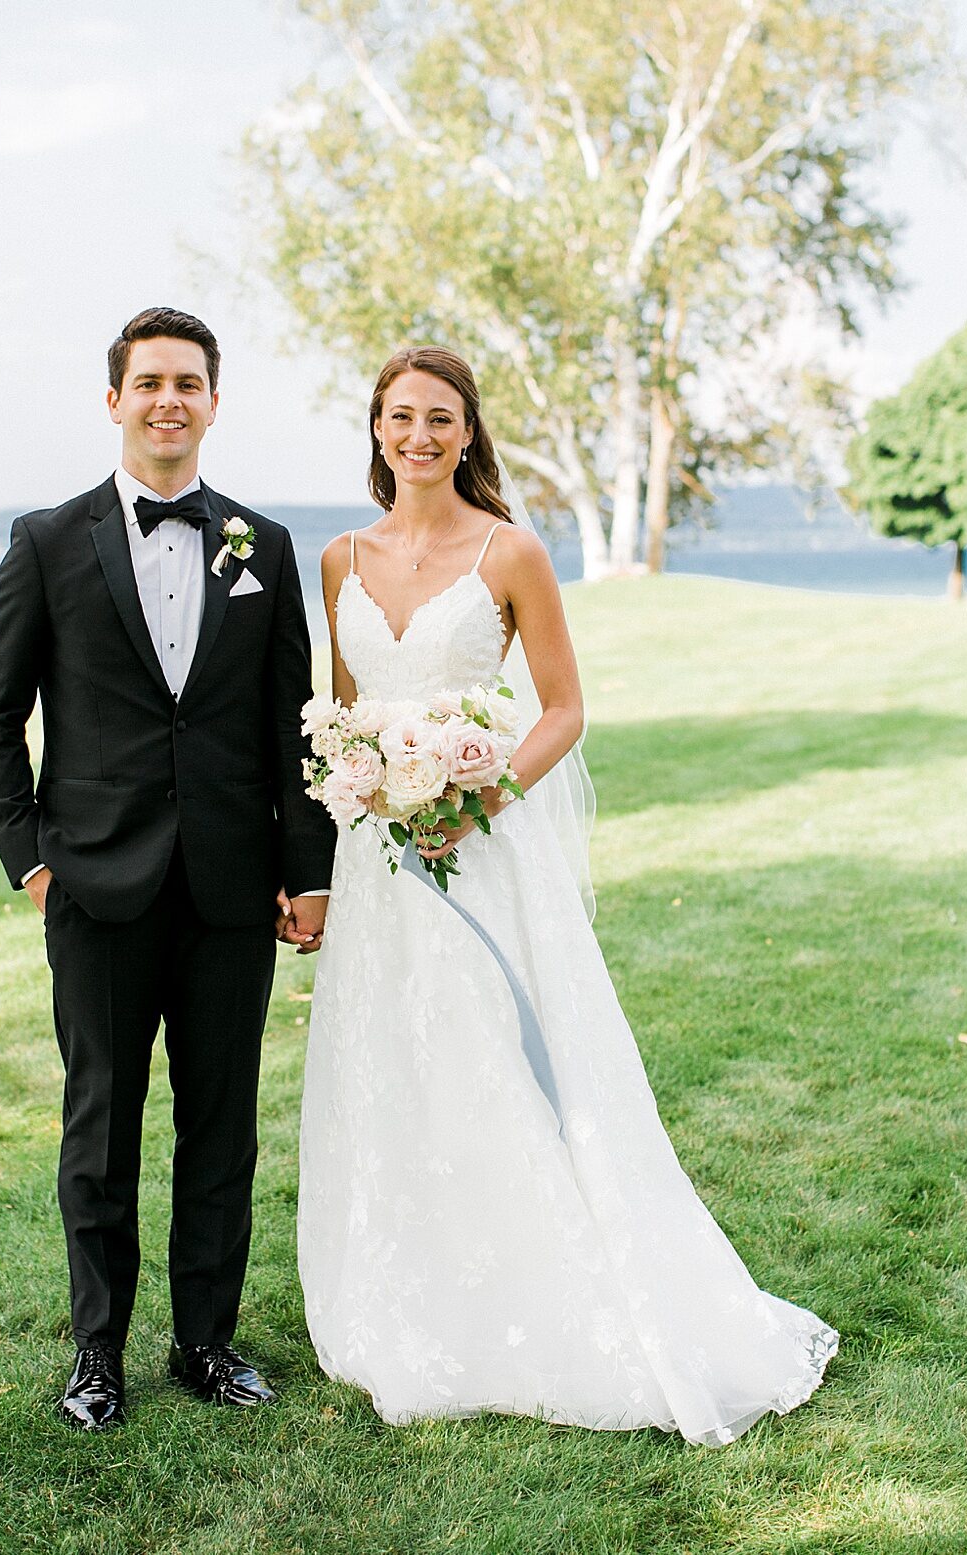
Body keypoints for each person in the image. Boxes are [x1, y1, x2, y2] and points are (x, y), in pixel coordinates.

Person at [297, 345, 837, 1446]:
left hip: (477, 847)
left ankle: (537, 1288)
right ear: (376, 429)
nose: (418, 437)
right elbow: (345, 710)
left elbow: (561, 709)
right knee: (391, 1056)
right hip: (377, 862)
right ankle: (414, 1290)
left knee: (491, 1049)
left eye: (439, 418)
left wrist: (474, 793)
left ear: (468, 431)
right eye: (400, 417)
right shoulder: (340, 559)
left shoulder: (512, 552)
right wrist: (361, 781)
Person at [0, 307, 335, 1430]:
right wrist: (31, 859)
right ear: (115, 400)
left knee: (222, 1126)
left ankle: (208, 1344)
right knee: (102, 1125)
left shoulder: (262, 547)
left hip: (232, 889)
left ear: (214, 403)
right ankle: (97, 1355)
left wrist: (307, 867)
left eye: (189, 382)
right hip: (96, 887)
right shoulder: (46, 540)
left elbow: (293, 728)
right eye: (149, 382)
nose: (169, 399)